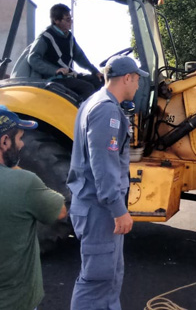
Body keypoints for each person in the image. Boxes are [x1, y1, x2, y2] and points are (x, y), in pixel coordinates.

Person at [67, 56, 147, 310]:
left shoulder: (93, 102)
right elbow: (103, 165)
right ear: (127, 78)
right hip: (99, 210)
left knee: (108, 277)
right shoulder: (107, 110)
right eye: (137, 80)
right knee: (96, 282)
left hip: (94, 207)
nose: (137, 86)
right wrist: (118, 209)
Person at [0, 105, 67, 310]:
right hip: (13, 301)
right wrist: (13, 165)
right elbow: (60, 210)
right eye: (19, 138)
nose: (23, 144)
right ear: (5, 142)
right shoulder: (24, 183)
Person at [11, 3, 103, 100]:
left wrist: (95, 71)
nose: (70, 22)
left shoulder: (69, 36)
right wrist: (55, 70)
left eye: (71, 19)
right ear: (56, 20)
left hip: (67, 76)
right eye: (67, 19)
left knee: (99, 81)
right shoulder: (46, 37)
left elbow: (80, 57)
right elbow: (33, 59)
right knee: (87, 88)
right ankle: (80, 112)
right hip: (53, 80)